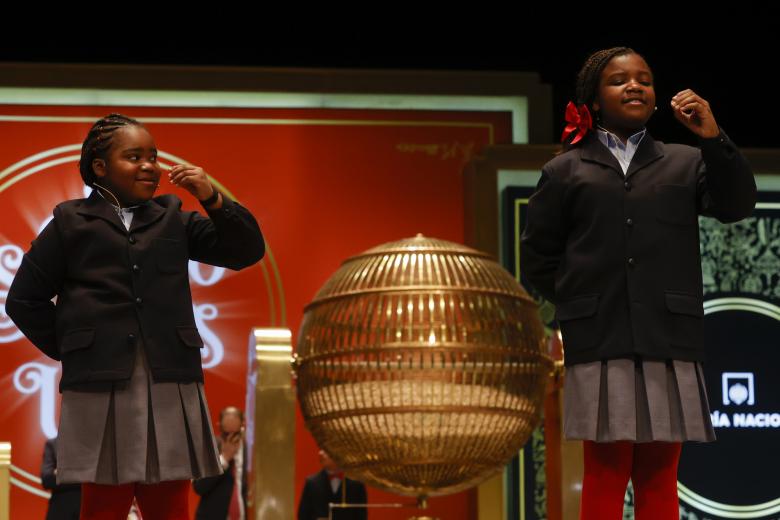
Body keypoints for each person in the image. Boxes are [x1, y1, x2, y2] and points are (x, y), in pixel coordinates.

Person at [520, 47, 756, 519]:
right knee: (605, 475)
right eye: (619, 80)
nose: (635, 86)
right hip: (601, 340)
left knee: (659, 476)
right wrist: (582, 302)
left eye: (644, 79)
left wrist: (712, 135)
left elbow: (736, 204)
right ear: (594, 97)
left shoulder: (686, 161)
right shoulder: (564, 170)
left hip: (669, 339)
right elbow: (537, 259)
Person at [6, 113, 265, 520]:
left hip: (171, 376)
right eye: (134, 156)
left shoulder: (173, 217)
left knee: (170, 505)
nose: (150, 166)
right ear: (100, 167)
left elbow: (247, 250)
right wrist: (74, 349)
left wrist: (212, 197)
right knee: (102, 508)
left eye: (153, 156)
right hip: (99, 382)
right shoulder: (69, 222)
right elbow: (23, 300)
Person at [193, 406, 248, 520]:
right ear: (220, 427)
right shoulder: (209, 448)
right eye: (227, 434)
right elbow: (199, 487)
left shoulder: (251, 451)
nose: (231, 439)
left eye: (235, 434)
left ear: (242, 427)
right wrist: (224, 459)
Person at [298, 450, 367, 520]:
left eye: (326, 451)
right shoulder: (311, 483)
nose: (321, 453)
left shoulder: (356, 483)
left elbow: (361, 515)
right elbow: (303, 515)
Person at [41, 437, 81, 520]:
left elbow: (94, 478)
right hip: (60, 508)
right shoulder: (53, 444)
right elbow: (47, 481)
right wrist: (80, 474)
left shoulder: (92, 445)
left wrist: (61, 472)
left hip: (86, 507)